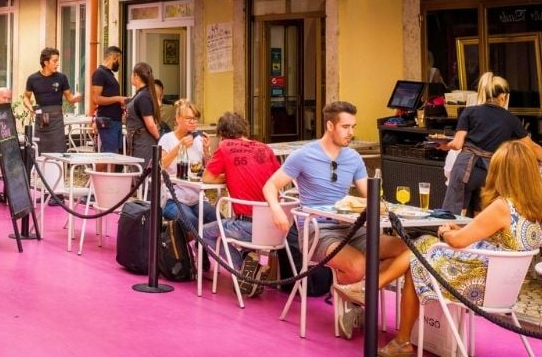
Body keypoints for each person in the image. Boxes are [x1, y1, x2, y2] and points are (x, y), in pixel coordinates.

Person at [373, 140, 542, 357]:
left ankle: (384, 310)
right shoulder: (541, 207)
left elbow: (457, 242)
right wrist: (460, 231)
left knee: (420, 254)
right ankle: (372, 289)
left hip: (480, 286)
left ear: (501, 172)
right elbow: (501, 238)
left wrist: (445, 232)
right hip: (506, 287)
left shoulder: (503, 206)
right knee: (422, 249)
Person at [263, 101, 408, 339]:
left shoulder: (353, 158)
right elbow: (270, 185)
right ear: (330, 126)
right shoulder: (303, 155)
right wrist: (277, 210)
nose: (351, 132)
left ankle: (358, 291)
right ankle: (354, 294)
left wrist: (388, 207)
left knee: (407, 249)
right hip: (317, 230)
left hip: (351, 228)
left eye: (353, 126)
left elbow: (369, 195)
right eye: (346, 127)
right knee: (360, 264)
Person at [440, 72, 542, 215]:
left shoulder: (469, 112)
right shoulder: (510, 119)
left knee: (455, 216)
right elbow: (532, 146)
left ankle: (453, 236)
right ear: (503, 96)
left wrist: (443, 145)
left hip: (465, 168)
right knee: (483, 217)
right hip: (491, 172)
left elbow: (457, 144)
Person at [202, 111, 281, 285]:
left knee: (203, 233)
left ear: (222, 133)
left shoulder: (225, 147)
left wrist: (228, 176)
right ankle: (252, 267)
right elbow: (278, 180)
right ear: (244, 129)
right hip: (275, 227)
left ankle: (243, 270)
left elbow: (207, 178)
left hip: (246, 226)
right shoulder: (265, 148)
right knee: (233, 223)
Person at [158, 99, 214, 222]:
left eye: (195, 118)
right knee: (191, 222)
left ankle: (204, 241)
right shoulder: (167, 139)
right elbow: (160, 166)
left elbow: (209, 171)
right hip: (173, 197)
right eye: (189, 118)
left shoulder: (198, 140)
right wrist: (179, 147)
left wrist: (206, 151)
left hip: (197, 197)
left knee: (219, 220)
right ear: (178, 119)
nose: (193, 122)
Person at [22, 47, 81, 156]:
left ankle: (58, 173)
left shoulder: (62, 78)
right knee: (39, 152)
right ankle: (41, 173)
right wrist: (30, 107)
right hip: (41, 120)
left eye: (58, 60)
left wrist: (77, 97)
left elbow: (70, 98)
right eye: (55, 61)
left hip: (57, 120)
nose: (57, 64)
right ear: (46, 62)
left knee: (58, 151)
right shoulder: (32, 78)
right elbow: (26, 97)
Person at [90, 46, 127, 154]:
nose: (120, 63)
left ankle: (111, 171)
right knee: (109, 153)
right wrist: (118, 99)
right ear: (114, 57)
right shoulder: (99, 73)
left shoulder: (109, 74)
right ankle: (102, 171)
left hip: (115, 120)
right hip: (107, 120)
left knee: (114, 153)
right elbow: (96, 99)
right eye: (119, 59)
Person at [124, 62, 161, 161]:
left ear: (136, 76)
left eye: (132, 74)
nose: (130, 76)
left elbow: (150, 124)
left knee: (142, 174)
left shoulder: (143, 97)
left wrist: (159, 139)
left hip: (143, 144)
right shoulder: (140, 95)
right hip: (136, 142)